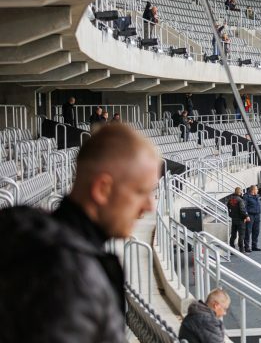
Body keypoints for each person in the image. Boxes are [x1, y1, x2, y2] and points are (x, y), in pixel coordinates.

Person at [0, 124, 160, 343]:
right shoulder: (71, 277)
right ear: (103, 189)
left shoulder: (28, 236)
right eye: (141, 192)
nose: (150, 206)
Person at [220, 187, 250, 252]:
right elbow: (242, 210)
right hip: (240, 219)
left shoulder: (230, 199)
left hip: (233, 219)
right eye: (241, 191)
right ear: (239, 192)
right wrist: (246, 216)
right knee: (241, 235)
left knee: (233, 235)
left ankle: (232, 249)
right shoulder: (240, 200)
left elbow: (227, 209)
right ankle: (241, 249)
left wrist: (230, 215)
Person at [243, 185, 261, 252]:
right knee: (248, 231)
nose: (257, 190)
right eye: (256, 189)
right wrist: (246, 216)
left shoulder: (257, 196)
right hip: (250, 215)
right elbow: (244, 207)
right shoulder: (246, 197)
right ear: (253, 190)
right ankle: (246, 247)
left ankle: (254, 246)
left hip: (257, 215)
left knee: (256, 231)